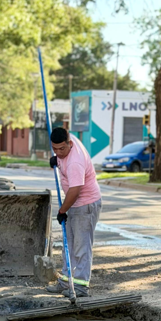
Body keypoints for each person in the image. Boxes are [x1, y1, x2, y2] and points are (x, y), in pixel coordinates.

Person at [46, 127, 102, 298]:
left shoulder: (74, 163)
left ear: (70, 143)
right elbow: (60, 153)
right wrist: (57, 160)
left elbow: (75, 190)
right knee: (68, 244)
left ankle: (81, 286)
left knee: (81, 246)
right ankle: (66, 281)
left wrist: (62, 210)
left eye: (61, 149)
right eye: (54, 149)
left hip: (85, 205)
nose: (58, 152)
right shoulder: (68, 143)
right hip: (74, 205)